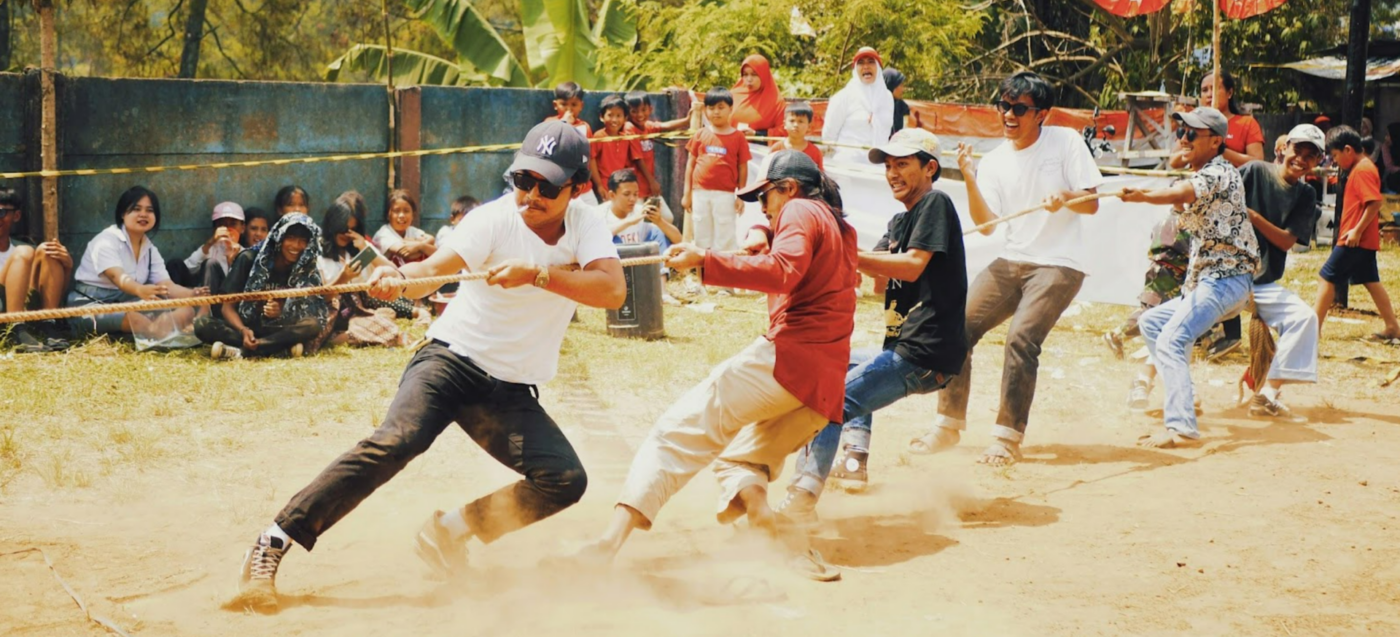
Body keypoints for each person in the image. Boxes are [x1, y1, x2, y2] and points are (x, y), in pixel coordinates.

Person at [232, 120, 625, 613]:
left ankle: (448, 532)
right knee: (396, 441)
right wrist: (397, 278)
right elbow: (429, 273)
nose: (531, 194)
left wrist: (540, 274)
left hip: (508, 390)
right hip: (450, 361)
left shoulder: (586, 225)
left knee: (564, 479)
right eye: (523, 180)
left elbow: (612, 290)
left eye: (547, 185)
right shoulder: (491, 220)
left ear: (579, 187)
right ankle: (271, 543)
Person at [579, 150, 857, 580]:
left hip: (789, 363)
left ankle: (606, 543)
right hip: (823, 391)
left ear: (791, 189)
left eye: (766, 198)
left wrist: (705, 260)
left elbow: (784, 269)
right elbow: (798, 257)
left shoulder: (799, 209)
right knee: (740, 463)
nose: (762, 207)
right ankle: (774, 533)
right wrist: (766, 230)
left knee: (675, 434)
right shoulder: (840, 226)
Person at [907, 71, 1103, 466]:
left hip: (1059, 265)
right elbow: (987, 224)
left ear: (1041, 114)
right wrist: (969, 178)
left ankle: (1007, 436)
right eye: (1004, 106)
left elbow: (1091, 202)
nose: (1008, 115)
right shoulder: (995, 160)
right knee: (955, 327)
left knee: (1021, 338)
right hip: (1012, 260)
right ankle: (947, 424)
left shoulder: (1065, 141)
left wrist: (1065, 196)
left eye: (1019, 108)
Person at [780, 128, 966, 515]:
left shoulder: (936, 203)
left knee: (827, 402)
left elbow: (912, 267)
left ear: (930, 167)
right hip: (904, 348)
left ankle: (801, 498)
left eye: (902, 164)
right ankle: (855, 456)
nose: (892, 173)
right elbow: (867, 275)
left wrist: (845, 253)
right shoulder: (901, 221)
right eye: (888, 166)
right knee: (835, 365)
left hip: (923, 351)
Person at [1118, 107, 1260, 449]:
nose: (1183, 138)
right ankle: (1187, 399)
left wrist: (1142, 195)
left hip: (1225, 280)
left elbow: (1181, 193)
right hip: (1211, 283)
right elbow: (1183, 196)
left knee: (1170, 340)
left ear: (1215, 141)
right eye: (1182, 132)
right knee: (1153, 324)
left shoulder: (1218, 172)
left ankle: (1181, 427)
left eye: (1192, 134)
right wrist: (1176, 166)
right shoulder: (1206, 172)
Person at [1230, 125, 1326, 417]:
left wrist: (1254, 216)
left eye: (1311, 156)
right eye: (1298, 150)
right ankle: (1147, 381)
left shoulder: (1306, 194)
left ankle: (1268, 393)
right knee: (1186, 321)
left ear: (1318, 162)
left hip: (1262, 283)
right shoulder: (1255, 171)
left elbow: (1286, 241)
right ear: (1283, 148)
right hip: (1227, 276)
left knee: (1305, 318)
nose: (1302, 159)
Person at [67, 185, 204, 342]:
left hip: (129, 303)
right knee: (136, 319)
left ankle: (157, 331)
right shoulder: (106, 240)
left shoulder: (150, 249)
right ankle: (160, 332)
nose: (143, 215)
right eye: (136, 209)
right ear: (123, 214)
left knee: (187, 311)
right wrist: (140, 290)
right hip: (91, 306)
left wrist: (193, 294)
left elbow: (167, 286)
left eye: (149, 210)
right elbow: (118, 277)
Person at [195, 213, 330, 359]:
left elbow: (308, 310)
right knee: (203, 325)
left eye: (303, 240)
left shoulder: (305, 267)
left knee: (312, 325)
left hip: (276, 331)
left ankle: (247, 350)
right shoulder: (249, 259)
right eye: (290, 238)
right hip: (244, 327)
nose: (296, 246)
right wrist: (243, 330)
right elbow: (227, 308)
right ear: (279, 237)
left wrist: (282, 311)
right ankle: (277, 350)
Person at [1315, 125, 1400, 341]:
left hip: (1354, 240)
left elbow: (1374, 203)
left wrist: (1355, 231)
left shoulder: (1362, 169)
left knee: (1326, 277)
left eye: (1335, 155)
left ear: (1348, 150)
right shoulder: (1364, 166)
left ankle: (1312, 331)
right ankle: (1392, 327)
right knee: (1371, 281)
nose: (1334, 161)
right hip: (1362, 239)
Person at [1200, 70, 1264, 358]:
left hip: (1233, 209)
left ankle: (1231, 335)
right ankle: (1202, 331)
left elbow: (1258, 163)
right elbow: (1177, 155)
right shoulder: (1197, 124)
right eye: (1203, 89)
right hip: (1201, 206)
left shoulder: (1246, 124)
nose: (1208, 94)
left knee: (1228, 264)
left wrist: (1222, 151)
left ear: (1230, 92)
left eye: (1214, 88)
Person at [683, 86, 750, 292]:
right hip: (700, 193)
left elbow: (742, 167)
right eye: (711, 108)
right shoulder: (701, 134)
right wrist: (687, 194)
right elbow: (690, 164)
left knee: (725, 238)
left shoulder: (738, 137)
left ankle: (726, 285)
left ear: (731, 109)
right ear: (705, 111)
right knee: (701, 238)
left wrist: (741, 195)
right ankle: (702, 282)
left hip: (725, 195)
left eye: (721, 107)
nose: (716, 112)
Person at [0, 187, 72, 352]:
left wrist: (67, 266)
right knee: (24, 253)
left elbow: (57, 294)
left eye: (1, 213)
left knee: (48, 250)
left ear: (16, 216)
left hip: (31, 311)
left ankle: (49, 324)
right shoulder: (23, 253)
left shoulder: (25, 252)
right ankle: (15, 329)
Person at [822, 47, 894, 163]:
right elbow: (829, 136)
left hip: (878, 166)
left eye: (871, 62)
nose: (866, 66)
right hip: (847, 166)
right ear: (855, 69)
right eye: (861, 63)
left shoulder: (887, 97)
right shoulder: (843, 97)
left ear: (878, 67)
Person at [624, 90, 690, 215]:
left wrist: (686, 120)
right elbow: (638, 159)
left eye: (643, 110)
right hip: (635, 186)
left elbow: (665, 126)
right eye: (634, 111)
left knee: (666, 217)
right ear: (627, 113)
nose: (640, 114)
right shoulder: (629, 128)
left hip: (648, 185)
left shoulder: (647, 126)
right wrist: (652, 182)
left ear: (650, 109)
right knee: (637, 221)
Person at [166, 201, 244, 296]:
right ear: (215, 228)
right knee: (174, 264)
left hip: (222, 299)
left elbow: (239, 285)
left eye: (233, 224)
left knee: (210, 263)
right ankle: (176, 307)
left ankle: (206, 309)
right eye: (222, 224)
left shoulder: (244, 253)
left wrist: (231, 260)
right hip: (199, 293)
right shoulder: (212, 248)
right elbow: (189, 267)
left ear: (242, 228)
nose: (227, 229)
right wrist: (209, 243)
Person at [601, 169, 680, 247]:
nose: (632, 199)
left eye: (635, 194)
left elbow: (679, 240)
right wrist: (630, 221)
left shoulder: (641, 211)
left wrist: (659, 221)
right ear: (612, 195)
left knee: (660, 231)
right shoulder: (599, 213)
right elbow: (597, 237)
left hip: (641, 258)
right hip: (615, 258)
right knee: (610, 237)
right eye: (626, 194)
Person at [546, 82, 596, 204]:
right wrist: (565, 123)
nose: (569, 109)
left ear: (581, 106)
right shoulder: (550, 123)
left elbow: (591, 158)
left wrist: (598, 184)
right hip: (561, 186)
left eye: (574, 104)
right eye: (564, 104)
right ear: (555, 105)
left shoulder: (584, 127)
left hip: (583, 186)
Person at [590, 94, 644, 201]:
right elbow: (592, 161)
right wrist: (599, 185)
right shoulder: (599, 136)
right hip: (605, 185)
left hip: (621, 186)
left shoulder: (626, 138)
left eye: (619, 116)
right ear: (601, 117)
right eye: (610, 115)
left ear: (625, 118)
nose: (614, 120)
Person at [372, 189, 436, 267]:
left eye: (406, 211)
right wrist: (423, 247)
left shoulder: (413, 231)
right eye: (396, 211)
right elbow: (406, 254)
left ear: (413, 215)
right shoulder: (383, 234)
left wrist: (420, 246)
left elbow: (436, 252)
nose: (402, 215)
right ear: (388, 215)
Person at [730, 54, 787, 137]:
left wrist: (757, 134)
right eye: (745, 75)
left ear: (764, 75)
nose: (749, 79)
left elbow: (783, 130)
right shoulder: (733, 95)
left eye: (754, 74)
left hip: (760, 147)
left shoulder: (776, 102)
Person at [770, 101, 824, 171]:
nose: (795, 125)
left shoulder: (815, 152)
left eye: (800, 121)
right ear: (784, 124)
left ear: (809, 126)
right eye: (792, 121)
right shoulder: (776, 149)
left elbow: (819, 177)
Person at [883, 67, 911, 137]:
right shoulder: (877, 107)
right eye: (900, 85)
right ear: (891, 86)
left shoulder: (901, 106)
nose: (903, 89)